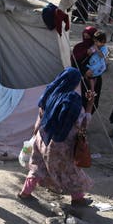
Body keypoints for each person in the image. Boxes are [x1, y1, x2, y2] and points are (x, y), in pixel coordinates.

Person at [18, 67, 95, 206]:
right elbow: (82, 123)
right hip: (61, 144)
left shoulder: (51, 92)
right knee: (71, 170)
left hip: (42, 137)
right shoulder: (72, 100)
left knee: (38, 166)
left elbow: (41, 113)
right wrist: (90, 104)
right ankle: (78, 198)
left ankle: (25, 193)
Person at [71, 26, 102, 113]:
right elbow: (74, 63)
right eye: (85, 37)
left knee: (92, 102)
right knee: (81, 101)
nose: (86, 39)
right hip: (80, 78)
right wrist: (84, 70)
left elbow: (101, 63)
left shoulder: (98, 49)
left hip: (95, 78)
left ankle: (86, 120)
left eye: (89, 37)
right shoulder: (78, 47)